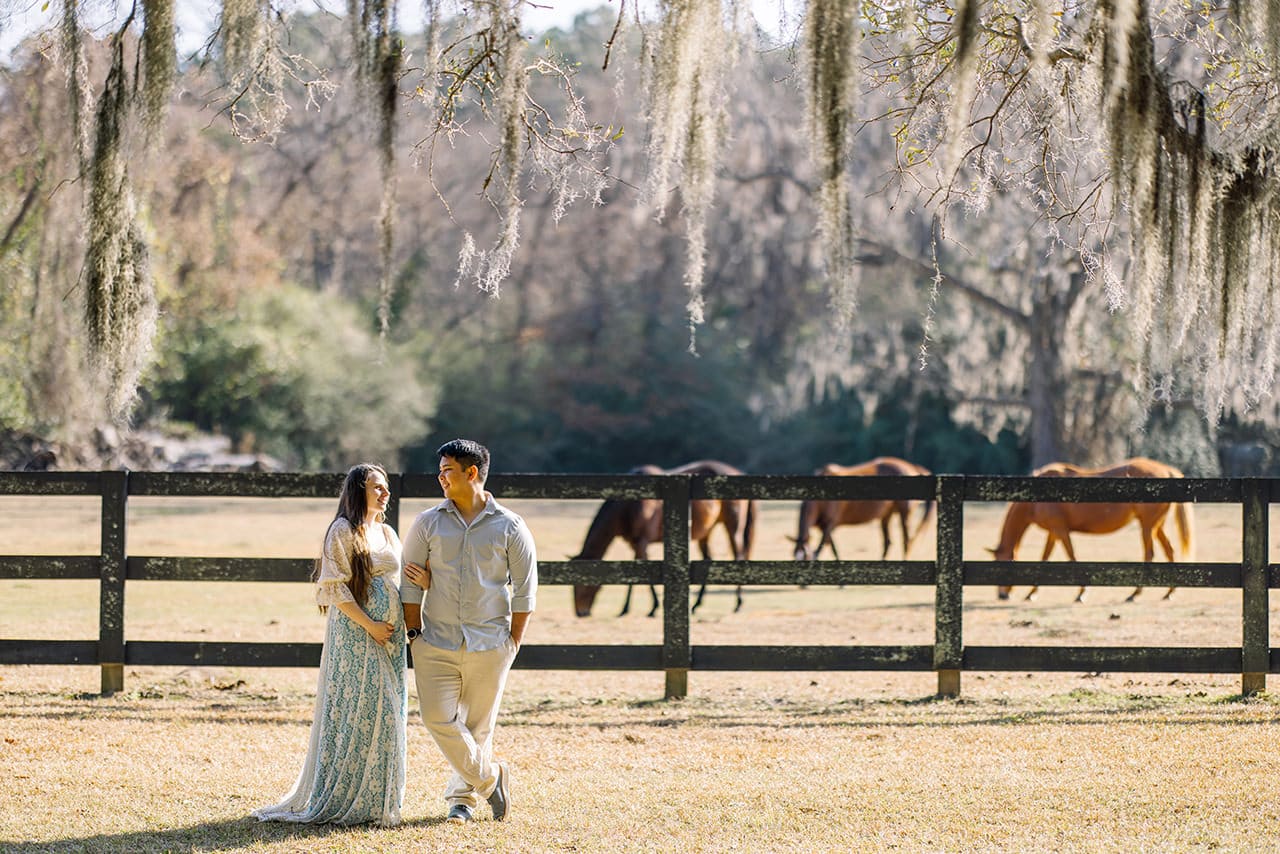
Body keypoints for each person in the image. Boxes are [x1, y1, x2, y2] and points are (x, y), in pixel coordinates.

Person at [254, 463, 409, 827]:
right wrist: (370, 624)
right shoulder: (342, 531)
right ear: (358, 491)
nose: (385, 493)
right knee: (359, 709)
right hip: (356, 635)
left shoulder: (387, 532)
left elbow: (398, 579)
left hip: (389, 639)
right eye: (377, 487)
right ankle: (345, 797)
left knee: (389, 714)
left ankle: (378, 803)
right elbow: (334, 588)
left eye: (386, 487)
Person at [400, 438, 537, 825]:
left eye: (447, 470)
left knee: (478, 728)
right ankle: (492, 779)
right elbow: (409, 582)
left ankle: (461, 801)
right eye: (440, 470)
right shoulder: (427, 522)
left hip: (491, 642)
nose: (440, 477)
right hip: (435, 641)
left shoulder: (511, 526)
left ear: (471, 473)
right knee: (437, 719)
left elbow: (526, 590)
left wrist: (513, 643)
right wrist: (415, 636)